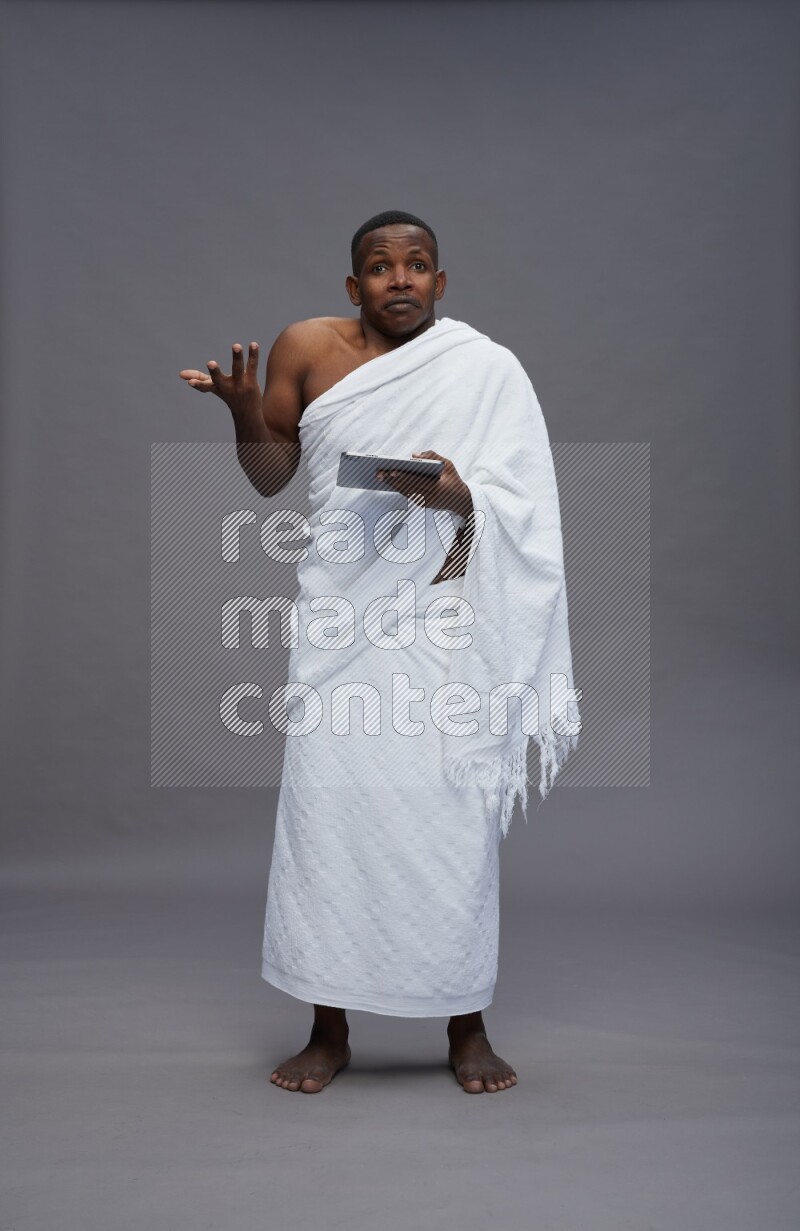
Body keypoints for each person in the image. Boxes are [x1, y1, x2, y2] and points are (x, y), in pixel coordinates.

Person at [180, 210, 578, 1094]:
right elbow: (272, 474)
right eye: (380, 266)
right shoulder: (307, 350)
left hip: (443, 626)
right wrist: (248, 414)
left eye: (419, 264)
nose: (401, 278)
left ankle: (464, 1021)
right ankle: (328, 1027)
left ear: (442, 283)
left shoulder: (486, 370)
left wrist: (454, 491)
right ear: (353, 285)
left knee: (450, 819)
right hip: (339, 623)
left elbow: (520, 508)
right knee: (331, 819)